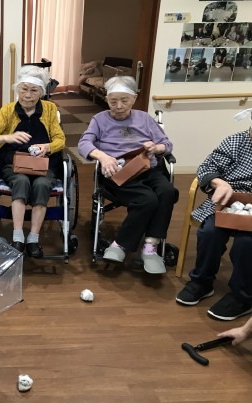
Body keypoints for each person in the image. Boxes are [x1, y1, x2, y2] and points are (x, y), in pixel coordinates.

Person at [78, 76, 178, 274]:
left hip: (148, 168)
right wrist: (103, 157)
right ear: (107, 100)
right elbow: (84, 143)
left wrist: (156, 147)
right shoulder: (100, 119)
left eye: (124, 100)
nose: (118, 106)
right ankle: (120, 245)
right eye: (113, 101)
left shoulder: (145, 119)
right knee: (148, 200)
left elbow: (166, 145)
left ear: (134, 99)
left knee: (168, 192)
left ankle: (150, 245)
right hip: (118, 172)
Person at [0, 65, 65, 258]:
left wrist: (47, 147)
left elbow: (60, 140)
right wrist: (7, 137)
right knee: (21, 181)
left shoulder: (50, 109)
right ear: (17, 89)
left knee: (42, 185)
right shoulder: (8, 110)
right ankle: (18, 237)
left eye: (34, 90)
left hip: (43, 164)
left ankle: (33, 239)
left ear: (41, 92)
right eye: (24, 89)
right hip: (14, 164)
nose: (28, 95)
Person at [175, 117, 252, 321]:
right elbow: (207, 167)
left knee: (246, 243)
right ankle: (201, 282)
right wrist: (220, 183)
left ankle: (243, 297)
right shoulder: (237, 141)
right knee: (210, 232)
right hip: (227, 199)